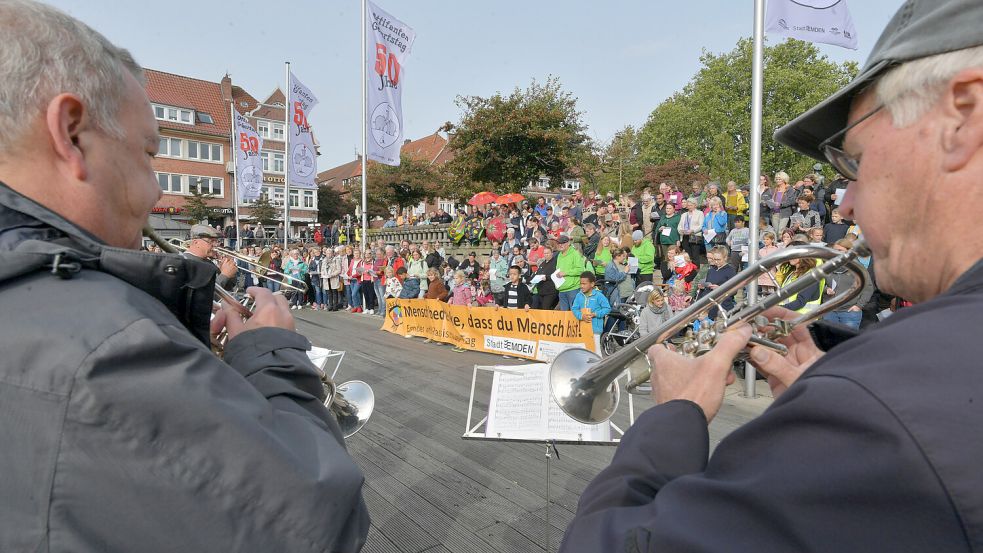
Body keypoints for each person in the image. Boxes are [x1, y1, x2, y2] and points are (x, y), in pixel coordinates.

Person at [564, 4, 983, 550]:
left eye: (853, 161)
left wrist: (671, 418)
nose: (848, 204)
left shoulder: (882, 401)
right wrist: (830, 387)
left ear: (963, 117)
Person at [0, 2, 369, 550]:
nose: (153, 190)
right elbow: (316, 524)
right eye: (150, 152)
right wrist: (270, 354)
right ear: (71, 134)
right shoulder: (103, 346)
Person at [183, 224, 238, 292]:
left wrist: (229, 270)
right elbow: (202, 294)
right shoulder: (185, 262)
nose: (216, 245)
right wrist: (224, 275)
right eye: (211, 241)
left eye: (217, 241)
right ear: (196, 242)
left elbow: (229, 286)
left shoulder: (208, 261)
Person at [570, 271, 611, 353]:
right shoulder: (579, 295)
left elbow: (607, 308)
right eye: (581, 283)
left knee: (595, 350)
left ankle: (599, 365)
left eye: (584, 284)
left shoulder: (599, 295)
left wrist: (596, 314)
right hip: (582, 328)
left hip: (595, 329)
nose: (581, 286)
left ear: (592, 284)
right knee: (583, 350)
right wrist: (581, 316)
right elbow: (574, 309)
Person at [533, 245, 559, 310]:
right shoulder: (542, 264)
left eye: (548, 253)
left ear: (552, 253)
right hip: (541, 291)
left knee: (545, 308)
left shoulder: (555, 263)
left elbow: (556, 275)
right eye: (545, 253)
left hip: (550, 291)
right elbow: (537, 273)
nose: (546, 255)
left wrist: (546, 277)